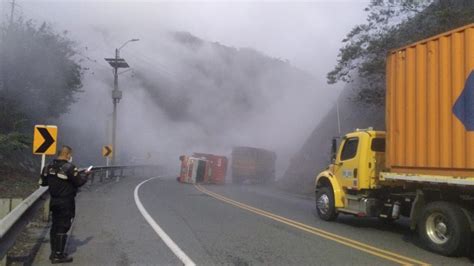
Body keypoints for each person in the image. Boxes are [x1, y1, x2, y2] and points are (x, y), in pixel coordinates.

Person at [40, 145, 89, 264]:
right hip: (66, 201)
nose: (71, 157)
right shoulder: (69, 167)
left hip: (54, 201)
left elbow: (43, 183)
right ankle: (58, 255)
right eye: (70, 154)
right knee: (64, 226)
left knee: (55, 226)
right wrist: (86, 175)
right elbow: (79, 182)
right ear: (67, 154)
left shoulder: (48, 167)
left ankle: (54, 252)